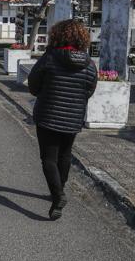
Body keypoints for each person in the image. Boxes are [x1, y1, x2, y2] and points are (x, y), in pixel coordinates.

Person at [27, 19, 97, 220]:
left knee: (48, 158)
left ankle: (58, 196)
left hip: (48, 114)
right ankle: (60, 189)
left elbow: (33, 83)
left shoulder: (50, 58)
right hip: (73, 117)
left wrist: (44, 92)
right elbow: (90, 89)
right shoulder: (89, 63)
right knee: (65, 156)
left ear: (58, 35)